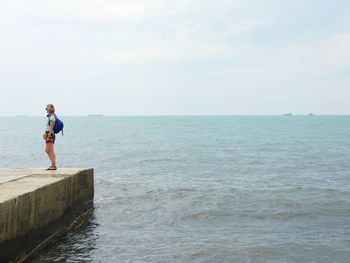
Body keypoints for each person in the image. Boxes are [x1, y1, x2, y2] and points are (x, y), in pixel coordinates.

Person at [43, 104, 57, 170]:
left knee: (50, 150)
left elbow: (51, 127)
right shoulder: (50, 116)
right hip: (48, 133)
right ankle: (52, 164)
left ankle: (53, 165)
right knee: (47, 150)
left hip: (50, 134)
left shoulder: (52, 117)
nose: (46, 109)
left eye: (47, 108)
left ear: (50, 109)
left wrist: (48, 135)